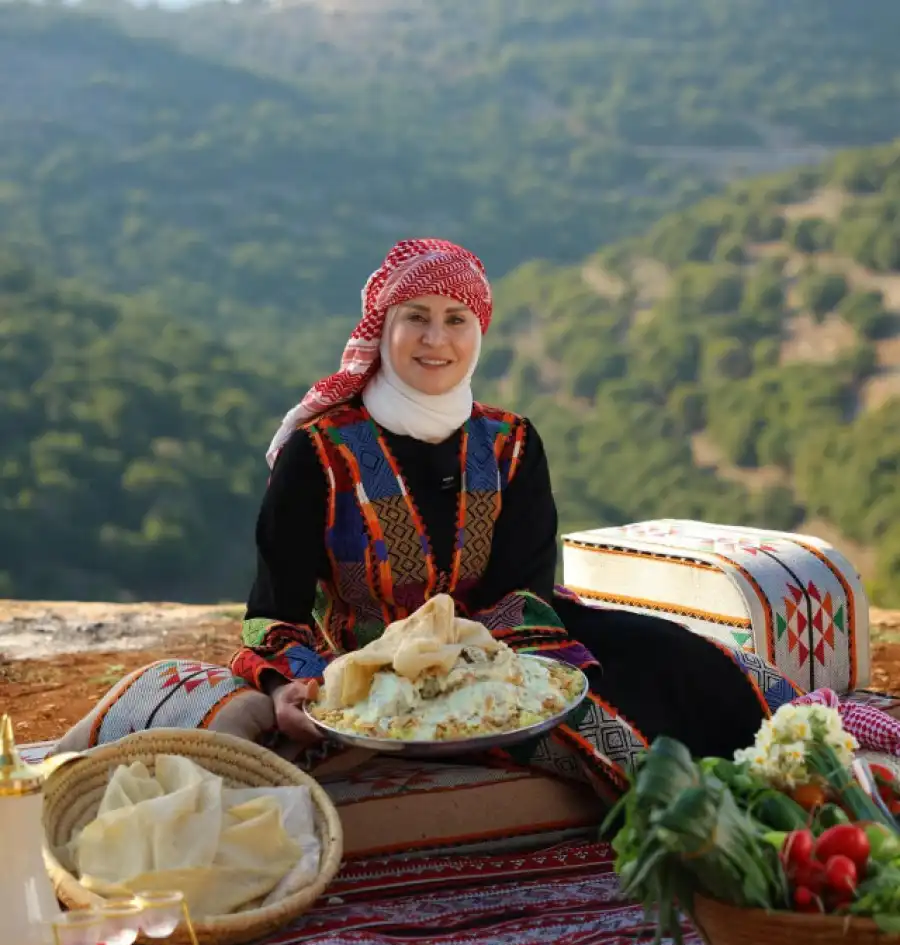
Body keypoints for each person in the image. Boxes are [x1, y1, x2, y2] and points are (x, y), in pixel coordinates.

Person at [232, 238, 799, 807]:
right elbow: (275, 611)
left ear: (477, 333)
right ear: (383, 329)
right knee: (615, 736)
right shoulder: (320, 453)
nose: (436, 339)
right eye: (415, 318)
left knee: (703, 669)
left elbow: (524, 588)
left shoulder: (510, 443)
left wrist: (513, 671)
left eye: (455, 319)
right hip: (377, 666)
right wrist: (291, 685)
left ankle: (800, 776)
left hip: (511, 639)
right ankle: (702, 834)